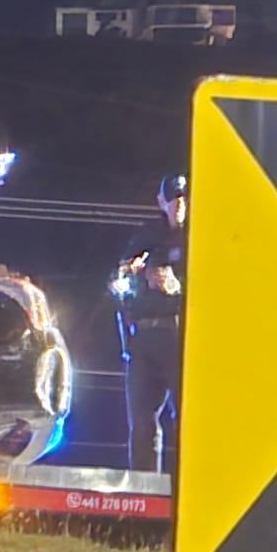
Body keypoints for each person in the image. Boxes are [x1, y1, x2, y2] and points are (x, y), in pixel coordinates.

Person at [109, 173, 188, 472]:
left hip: (179, 337)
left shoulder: (200, 238)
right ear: (161, 202)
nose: (178, 206)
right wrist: (138, 274)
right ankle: (142, 487)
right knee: (142, 420)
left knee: (186, 418)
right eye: (172, 200)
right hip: (143, 338)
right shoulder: (146, 237)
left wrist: (176, 285)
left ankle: (187, 486)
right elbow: (117, 280)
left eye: (183, 199)